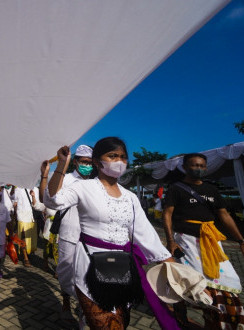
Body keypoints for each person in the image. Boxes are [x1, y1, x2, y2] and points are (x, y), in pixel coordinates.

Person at [44, 137, 178, 330]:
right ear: (97, 162)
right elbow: (53, 201)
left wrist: (169, 263)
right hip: (90, 266)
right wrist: (61, 166)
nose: (119, 161)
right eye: (113, 156)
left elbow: (145, 233)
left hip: (123, 268)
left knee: (120, 323)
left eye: (123, 157)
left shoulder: (130, 197)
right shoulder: (83, 187)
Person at [163, 153, 244, 329]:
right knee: (187, 280)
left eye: (201, 166)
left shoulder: (211, 190)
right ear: (185, 167)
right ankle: (180, 316)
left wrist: (240, 240)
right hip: (186, 241)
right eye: (194, 165)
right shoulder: (176, 188)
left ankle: (216, 320)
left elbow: (224, 215)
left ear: (206, 168)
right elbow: (167, 214)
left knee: (227, 282)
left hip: (211, 241)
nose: (198, 169)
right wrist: (170, 241)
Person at [40, 144, 93, 323]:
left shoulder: (96, 182)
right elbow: (48, 198)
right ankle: (66, 299)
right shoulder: (66, 178)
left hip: (90, 238)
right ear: (76, 162)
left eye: (90, 162)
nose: (87, 165)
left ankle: (84, 312)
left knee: (87, 276)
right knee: (65, 274)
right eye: (84, 161)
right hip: (69, 234)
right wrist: (59, 167)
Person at [12, 185, 44, 267]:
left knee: (32, 237)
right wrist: (15, 216)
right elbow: (15, 203)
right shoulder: (18, 189)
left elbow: (37, 204)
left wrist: (33, 196)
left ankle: (29, 252)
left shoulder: (36, 189)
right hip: (22, 216)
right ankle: (25, 257)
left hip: (32, 217)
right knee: (23, 236)